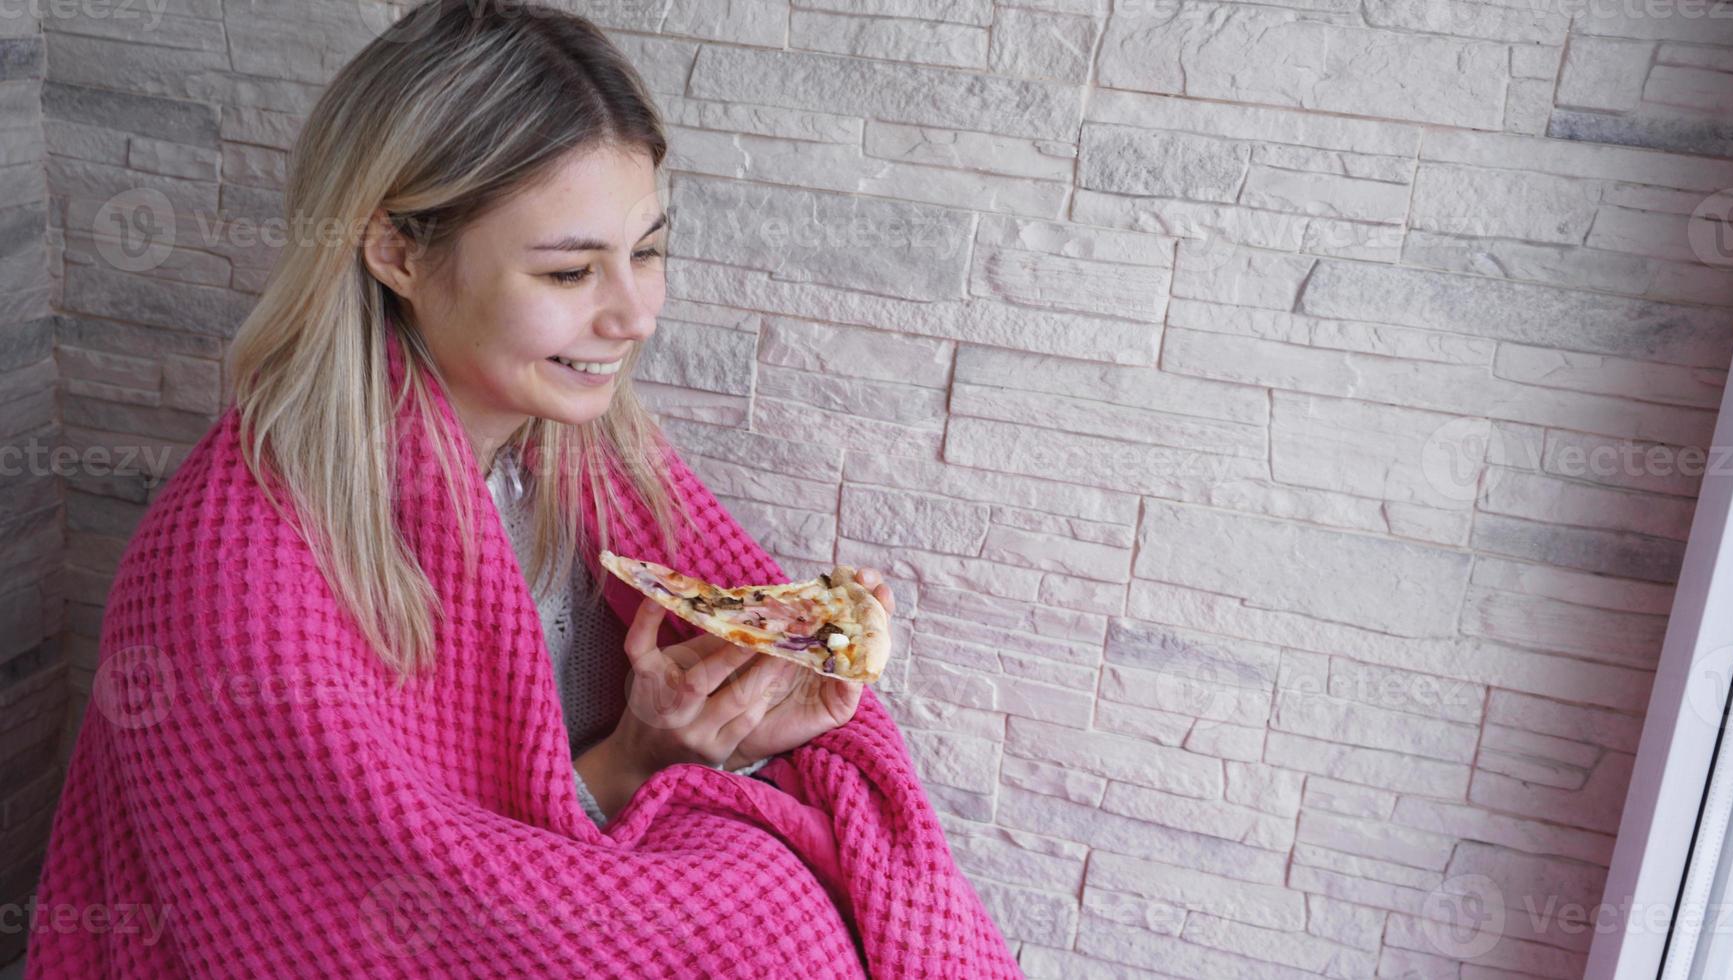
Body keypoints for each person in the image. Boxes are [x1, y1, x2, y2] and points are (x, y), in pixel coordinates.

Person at [24, 1, 1022, 976]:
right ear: (398, 252)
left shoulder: (591, 462)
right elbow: (386, 924)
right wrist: (640, 763)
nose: (632, 314)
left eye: (648, 251)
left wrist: (743, 731)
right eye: (568, 272)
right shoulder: (237, 570)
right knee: (760, 922)